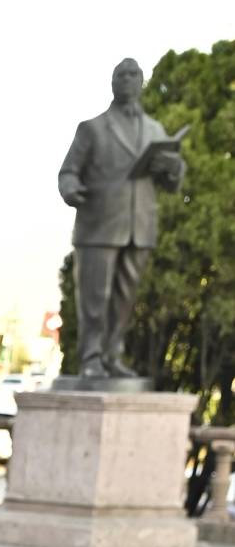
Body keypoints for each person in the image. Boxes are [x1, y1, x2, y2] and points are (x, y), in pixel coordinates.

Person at [57, 57, 185, 381]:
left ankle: (112, 357)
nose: (127, 80)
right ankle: (90, 359)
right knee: (94, 298)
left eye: (133, 75)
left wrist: (173, 169)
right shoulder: (92, 128)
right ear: (112, 83)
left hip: (139, 227)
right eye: (121, 75)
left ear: (141, 82)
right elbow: (69, 171)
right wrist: (71, 189)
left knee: (125, 300)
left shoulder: (155, 130)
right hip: (99, 225)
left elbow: (171, 183)